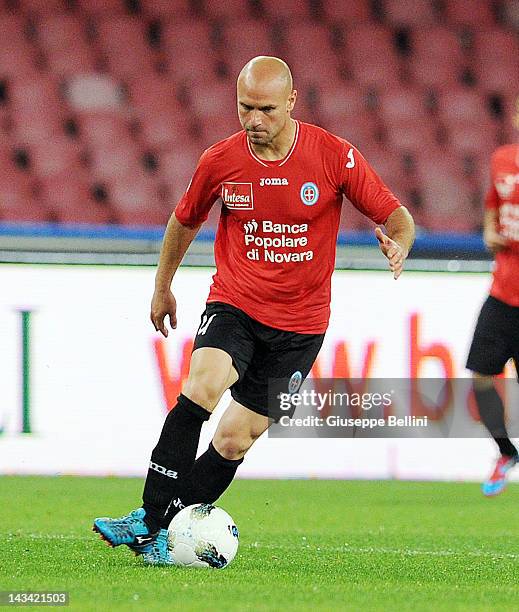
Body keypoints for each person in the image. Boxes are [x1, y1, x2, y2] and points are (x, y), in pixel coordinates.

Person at [93, 56, 415, 564]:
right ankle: (149, 518)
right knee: (201, 386)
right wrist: (163, 286)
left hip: (300, 328)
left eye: (265, 109)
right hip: (236, 303)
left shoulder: (333, 157)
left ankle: (163, 524)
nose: (253, 120)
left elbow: (396, 215)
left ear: (291, 102)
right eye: (245, 107)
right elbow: (184, 221)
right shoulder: (221, 161)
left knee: (235, 438)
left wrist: (398, 243)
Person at [467, 99, 519, 497]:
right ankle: (505, 451)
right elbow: (492, 206)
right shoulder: (501, 159)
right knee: (481, 380)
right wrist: (489, 232)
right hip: (502, 294)